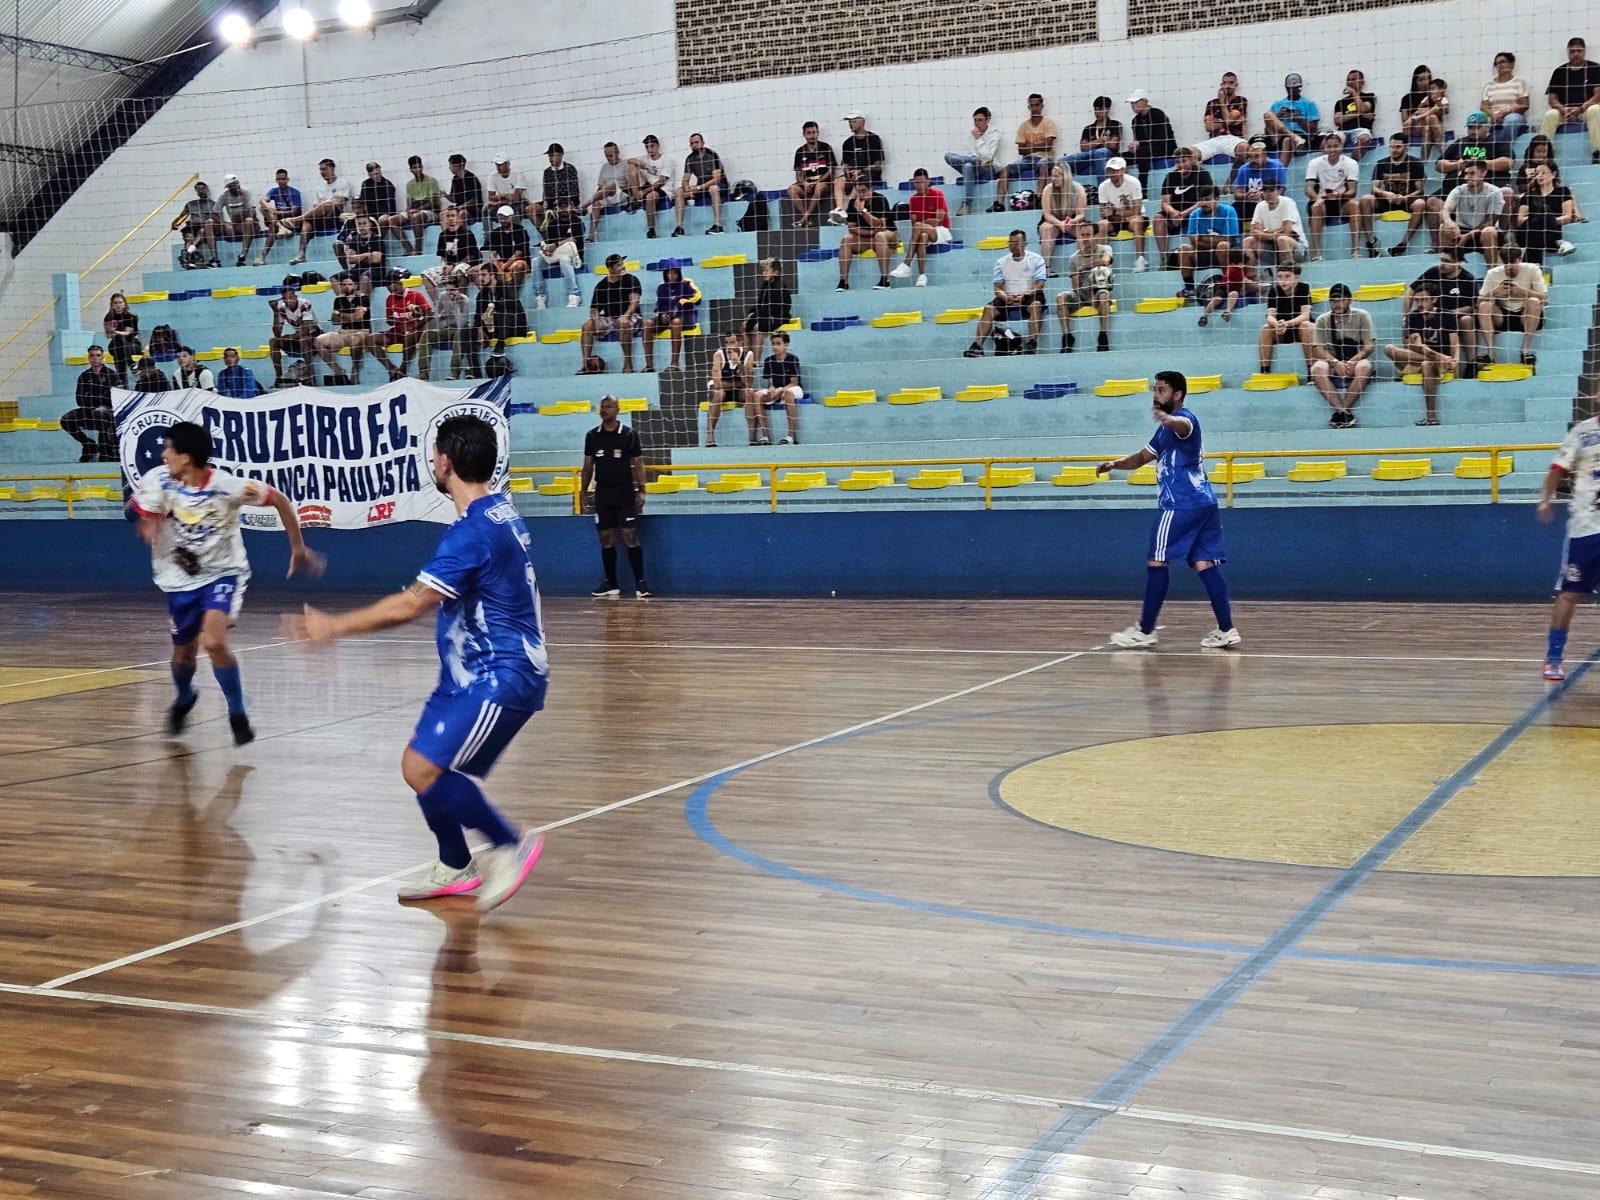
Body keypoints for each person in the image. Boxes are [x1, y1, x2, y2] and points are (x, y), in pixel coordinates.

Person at [294, 415, 546, 912]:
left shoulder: (473, 533)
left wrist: (334, 627)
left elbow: (410, 605)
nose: (433, 462)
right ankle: (455, 865)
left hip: (499, 675)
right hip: (466, 673)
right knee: (417, 766)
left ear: (446, 463)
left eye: (435, 455)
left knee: (426, 769)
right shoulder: (498, 514)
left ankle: (510, 844)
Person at [132, 420, 322, 745]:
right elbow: (144, 520)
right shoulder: (157, 482)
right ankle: (184, 697)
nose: (163, 455)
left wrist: (297, 546)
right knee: (183, 656)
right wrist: (149, 527)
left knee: (214, 642)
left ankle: (237, 712)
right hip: (179, 580)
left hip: (222, 573)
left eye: (168, 449)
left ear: (186, 457)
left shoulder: (226, 486)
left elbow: (278, 499)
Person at [1095, 370, 1240, 650]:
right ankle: (1227, 629)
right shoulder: (1163, 431)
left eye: (1161, 390)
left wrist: (1168, 419)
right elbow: (1140, 458)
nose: (1155, 394)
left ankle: (1145, 630)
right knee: (1203, 563)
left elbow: (1181, 425)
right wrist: (1115, 464)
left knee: (1157, 560)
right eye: (1155, 389)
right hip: (1204, 503)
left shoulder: (1186, 420)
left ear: (1177, 395)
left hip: (1181, 503)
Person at [1538, 412, 1600, 680]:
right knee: (1570, 593)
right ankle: (1553, 658)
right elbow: (1556, 469)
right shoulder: (1582, 432)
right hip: (1587, 529)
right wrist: (1545, 500)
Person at [582, 395, 650, 598]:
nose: (605, 409)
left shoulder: (629, 434)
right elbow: (587, 467)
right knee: (605, 537)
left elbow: (638, 463)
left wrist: (642, 488)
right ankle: (611, 583)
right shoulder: (592, 436)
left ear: (618, 410)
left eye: (609, 406)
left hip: (624, 492)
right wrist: (583, 493)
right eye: (602, 406)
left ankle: (640, 583)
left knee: (630, 535)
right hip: (603, 493)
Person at [1385, 282, 1458, 425]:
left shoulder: (1447, 316)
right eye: (1417, 300)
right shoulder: (1413, 317)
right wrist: (1439, 357)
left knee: (1427, 364)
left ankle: (1431, 416)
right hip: (1427, 359)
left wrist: (1454, 361)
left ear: (1434, 300)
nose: (1419, 303)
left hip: (1441, 367)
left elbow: (1455, 345)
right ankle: (1436, 359)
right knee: (1389, 349)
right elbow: (1417, 346)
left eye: (1424, 300)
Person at [966, 229, 1046, 356]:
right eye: (1011, 243)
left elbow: (1040, 284)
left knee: (1036, 306)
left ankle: (1031, 343)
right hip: (1008, 296)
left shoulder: (1037, 259)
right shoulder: (1001, 262)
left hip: (1029, 295)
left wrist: (1025, 295)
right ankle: (977, 346)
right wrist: (1006, 297)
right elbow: (997, 288)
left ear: (1025, 243)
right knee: (988, 309)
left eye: (1017, 242)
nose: (1013, 245)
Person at [1309, 283, 1375, 426]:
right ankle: (1343, 411)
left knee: (1365, 366)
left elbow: (1369, 345)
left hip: (1356, 360)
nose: (1337, 304)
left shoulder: (1362, 316)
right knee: (1316, 368)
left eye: (1341, 300)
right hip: (1332, 361)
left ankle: (1342, 410)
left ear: (1350, 300)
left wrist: (1353, 361)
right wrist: (1335, 363)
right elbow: (1318, 348)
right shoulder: (1323, 320)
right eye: (1333, 300)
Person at [1475, 242, 1546, 368]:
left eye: (1512, 263)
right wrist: (1495, 292)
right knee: (1484, 305)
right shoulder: (1493, 273)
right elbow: (1478, 302)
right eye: (1505, 263)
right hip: (1502, 316)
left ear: (1519, 260)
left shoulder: (1532, 269)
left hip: (1525, 315)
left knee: (1534, 301)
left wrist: (1522, 292)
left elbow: (1544, 299)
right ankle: (1490, 353)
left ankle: (1525, 350)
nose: (1509, 267)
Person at [1538, 36, 1600, 164]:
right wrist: (1563, 109)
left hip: (1585, 109)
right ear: (1568, 53)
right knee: (1550, 115)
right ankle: (1544, 156)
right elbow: (1552, 98)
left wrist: (1581, 108)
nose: (1576, 54)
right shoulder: (1560, 71)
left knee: (1596, 110)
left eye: (1579, 51)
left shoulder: (1595, 68)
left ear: (1584, 51)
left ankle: (1598, 151)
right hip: (1564, 111)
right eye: (1572, 51)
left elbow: (1598, 95)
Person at [1365, 133, 1428, 256]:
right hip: (1387, 200)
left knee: (1420, 203)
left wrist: (1405, 198)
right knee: (1365, 199)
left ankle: (1403, 243)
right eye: (1392, 147)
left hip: (1406, 200)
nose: (1394, 150)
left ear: (1406, 146)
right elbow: (1374, 188)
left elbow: (1420, 190)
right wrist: (1385, 194)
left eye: (1398, 147)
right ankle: (1372, 241)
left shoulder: (1415, 163)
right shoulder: (1381, 163)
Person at [579, 254, 643, 374]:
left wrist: (625, 316)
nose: (623, 267)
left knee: (623, 323)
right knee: (587, 326)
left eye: (622, 264)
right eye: (619, 265)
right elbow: (594, 309)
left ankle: (628, 364)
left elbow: (634, 302)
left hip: (632, 316)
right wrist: (597, 322)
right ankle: (586, 364)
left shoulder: (631, 279)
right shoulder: (602, 285)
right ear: (610, 268)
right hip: (611, 318)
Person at [287, 158, 354, 266]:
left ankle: (298, 219)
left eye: (325, 169)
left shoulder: (343, 183)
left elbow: (339, 203)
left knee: (328, 204)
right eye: (321, 170)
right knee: (307, 223)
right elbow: (315, 207)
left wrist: (324, 204)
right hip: (322, 218)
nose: (322, 172)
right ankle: (301, 254)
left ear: (332, 169)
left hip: (337, 216)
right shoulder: (320, 188)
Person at [1303, 132, 1359, 261]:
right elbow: (1308, 188)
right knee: (1316, 207)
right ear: (1324, 148)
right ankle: (1317, 254)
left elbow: (1353, 191)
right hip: (1322, 199)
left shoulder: (1351, 163)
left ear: (1342, 147)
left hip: (1341, 200)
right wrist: (1318, 199)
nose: (1332, 150)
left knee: (1355, 205)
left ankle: (1355, 251)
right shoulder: (1315, 163)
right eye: (1329, 146)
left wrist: (1339, 195)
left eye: (1336, 146)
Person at [1055, 231, 1113, 352]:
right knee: (1060, 298)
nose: (1085, 238)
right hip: (1081, 295)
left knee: (1103, 294)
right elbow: (1075, 286)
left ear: (1095, 236)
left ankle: (1103, 336)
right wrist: (1086, 298)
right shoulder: (1074, 258)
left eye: (1088, 234)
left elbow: (1105, 261)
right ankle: (1067, 336)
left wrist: (1085, 267)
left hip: (1098, 292)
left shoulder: (1105, 249)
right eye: (1083, 235)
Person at [892, 168, 950, 286]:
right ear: (913, 183)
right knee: (922, 236)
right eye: (917, 182)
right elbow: (914, 223)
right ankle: (922, 276)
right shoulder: (913, 199)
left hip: (941, 231)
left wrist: (923, 222)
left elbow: (939, 221)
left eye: (922, 182)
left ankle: (907, 262)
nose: (920, 185)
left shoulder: (937, 195)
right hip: (924, 232)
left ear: (928, 181)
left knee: (919, 227)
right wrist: (927, 221)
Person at [1152, 147, 1211, 263]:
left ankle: (1199, 256)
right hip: (1175, 215)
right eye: (1178, 162)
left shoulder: (1202, 174)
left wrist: (1183, 214)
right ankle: (1164, 257)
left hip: (1194, 213)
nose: (1181, 165)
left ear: (1191, 160)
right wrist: (1173, 212)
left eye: (1184, 161)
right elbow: (1165, 203)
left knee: (1201, 214)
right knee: (1158, 219)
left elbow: (1206, 201)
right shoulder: (1171, 176)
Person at [837, 177, 896, 291]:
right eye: (858, 191)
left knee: (880, 236)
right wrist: (871, 232)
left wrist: (863, 211)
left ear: (871, 190)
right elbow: (852, 228)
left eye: (863, 191)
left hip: (889, 235)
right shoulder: (853, 203)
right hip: (868, 238)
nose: (861, 194)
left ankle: (885, 279)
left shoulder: (880, 199)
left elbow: (880, 226)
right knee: (846, 239)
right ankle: (843, 282)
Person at [998, 93, 1060, 202]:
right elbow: (1021, 150)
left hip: (1045, 158)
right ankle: (998, 203)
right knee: (1005, 170)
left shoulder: (1049, 123)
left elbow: (1048, 146)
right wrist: (1040, 145)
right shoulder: (1023, 126)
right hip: (1027, 159)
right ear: (1028, 107)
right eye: (1032, 105)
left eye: (1037, 105)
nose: (1034, 108)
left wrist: (1030, 146)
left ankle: (1038, 198)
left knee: (1043, 165)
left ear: (1042, 106)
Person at [61, 345, 119, 461]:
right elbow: (79, 399)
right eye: (92, 356)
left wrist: (92, 397)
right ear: (88, 358)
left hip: (108, 411)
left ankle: (106, 451)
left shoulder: (111, 375)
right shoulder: (84, 376)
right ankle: (88, 445)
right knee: (66, 419)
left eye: (98, 355)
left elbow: (113, 398)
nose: (95, 358)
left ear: (103, 357)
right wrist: (100, 397)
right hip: (88, 410)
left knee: (100, 413)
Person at [1441, 161, 1504, 266]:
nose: (1467, 177)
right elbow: (1445, 210)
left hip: (1482, 233)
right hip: (1462, 231)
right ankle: (1447, 266)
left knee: (1489, 231)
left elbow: (1490, 222)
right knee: (1444, 226)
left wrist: (1468, 236)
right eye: (1466, 173)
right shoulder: (1459, 190)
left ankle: (1492, 270)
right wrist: (1449, 222)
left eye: (1472, 173)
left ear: (1483, 173)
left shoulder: (1495, 192)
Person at [1175, 192, 1238, 298]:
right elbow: (1193, 240)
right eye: (1201, 200)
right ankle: (1189, 288)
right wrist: (1212, 241)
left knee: (1223, 246)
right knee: (1184, 249)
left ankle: (1228, 283)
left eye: (1207, 199)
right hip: (1203, 252)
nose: (1203, 203)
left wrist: (1202, 238)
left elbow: (1229, 238)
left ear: (1217, 199)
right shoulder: (1194, 214)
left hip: (1227, 252)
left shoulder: (1229, 211)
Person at [641, 264, 700, 374]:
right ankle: (649, 365)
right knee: (647, 323)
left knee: (675, 322)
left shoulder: (686, 284)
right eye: (669, 272)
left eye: (674, 272)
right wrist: (663, 315)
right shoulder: (661, 287)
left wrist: (681, 302)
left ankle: (675, 363)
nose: (671, 275)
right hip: (666, 317)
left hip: (684, 316)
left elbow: (697, 298)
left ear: (679, 273)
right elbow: (660, 306)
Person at [417, 272, 475, 381]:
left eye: (452, 290)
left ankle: (454, 371)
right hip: (446, 329)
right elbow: (437, 316)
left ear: (458, 290)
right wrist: (441, 317)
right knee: (427, 335)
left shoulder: (465, 300)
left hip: (461, 330)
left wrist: (455, 307)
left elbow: (462, 325)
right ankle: (423, 372)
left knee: (459, 334)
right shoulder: (443, 296)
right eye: (448, 289)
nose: (449, 293)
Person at [943, 107, 1001, 215]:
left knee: (976, 162)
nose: (977, 123)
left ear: (987, 120)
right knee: (953, 159)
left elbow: (988, 156)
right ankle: (966, 205)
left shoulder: (994, 135)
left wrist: (979, 139)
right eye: (975, 120)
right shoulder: (970, 136)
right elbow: (968, 153)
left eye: (980, 120)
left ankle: (967, 204)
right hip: (974, 166)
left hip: (988, 167)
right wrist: (975, 159)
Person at [829, 112, 886, 222]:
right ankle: (840, 209)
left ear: (862, 122)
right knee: (839, 181)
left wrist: (861, 170)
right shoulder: (848, 143)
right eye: (849, 122)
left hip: (869, 175)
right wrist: (847, 172)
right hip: (853, 175)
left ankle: (847, 211)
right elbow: (846, 164)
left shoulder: (873, 139)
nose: (851, 124)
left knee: (859, 180)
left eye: (854, 121)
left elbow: (878, 166)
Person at [1257, 263, 1312, 374]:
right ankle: (1264, 371)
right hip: (1282, 330)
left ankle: (1311, 370)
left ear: (1296, 277)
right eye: (1280, 277)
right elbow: (1270, 316)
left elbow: (1305, 315)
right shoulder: (1274, 291)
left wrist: (1288, 323)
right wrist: (1277, 324)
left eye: (1287, 276)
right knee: (1266, 329)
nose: (1283, 280)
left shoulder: (1304, 288)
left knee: (1306, 325)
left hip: (1298, 329)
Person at [1095, 157, 1149, 271]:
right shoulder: (1103, 186)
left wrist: (1115, 211)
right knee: (1102, 224)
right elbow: (1103, 213)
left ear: (1123, 171)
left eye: (1115, 171)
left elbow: (1137, 211)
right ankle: (1104, 263)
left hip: (1132, 218)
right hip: (1115, 220)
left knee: (1136, 222)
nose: (1112, 174)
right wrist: (1121, 214)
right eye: (1110, 171)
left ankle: (1140, 259)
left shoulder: (1133, 182)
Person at [1518, 162, 1578, 263]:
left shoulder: (1563, 191)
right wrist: (1538, 220)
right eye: (1537, 173)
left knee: (1545, 212)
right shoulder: (1529, 195)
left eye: (1543, 173)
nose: (1539, 176)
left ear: (1553, 174)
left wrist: (1548, 220)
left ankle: (1534, 267)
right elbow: (1519, 220)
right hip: (1527, 232)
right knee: (1542, 214)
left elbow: (1567, 217)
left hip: (1542, 235)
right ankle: (1560, 242)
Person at [1035, 164, 1088, 276]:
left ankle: (1083, 267)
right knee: (1047, 229)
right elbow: (1047, 214)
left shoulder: (1078, 189)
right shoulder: (1048, 189)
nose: (1053, 179)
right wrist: (1059, 224)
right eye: (1052, 176)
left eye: (1057, 176)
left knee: (1083, 230)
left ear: (1066, 176)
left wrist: (1072, 222)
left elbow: (1081, 215)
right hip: (1053, 220)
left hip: (1072, 220)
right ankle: (1046, 268)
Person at [753, 332, 802, 446]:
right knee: (757, 396)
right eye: (773, 344)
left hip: (793, 388)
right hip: (777, 388)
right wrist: (771, 389)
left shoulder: (792, 359)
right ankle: (765, 436)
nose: (775, 346)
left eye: (778, 343)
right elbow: (770, 383)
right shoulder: (768, 360)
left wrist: (782, 390)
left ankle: (791, 436)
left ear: (786, 345)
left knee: (788, 394)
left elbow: (794, 382)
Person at [535, 200, 586, 309]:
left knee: (564, 259)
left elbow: (574, 239)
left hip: (573, 256)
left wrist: (556, 244)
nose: (563, 209)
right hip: (554, 256)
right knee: (536, 261)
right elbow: (548, 242)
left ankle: (574, 294)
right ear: (556, 209)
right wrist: (546, 248)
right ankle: (540, 296)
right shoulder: (553, 224)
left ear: (570, 207)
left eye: (565, 206)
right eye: (560, 207)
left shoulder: (577, 221)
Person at [268, 284, 321, 388]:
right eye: (285, 299)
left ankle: (311, 377)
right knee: (273, 341)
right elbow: (277, 332)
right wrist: (275, 313)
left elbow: (306, 329)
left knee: (303, 338)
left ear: (295, 297)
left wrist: (290, 337)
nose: (288, 301)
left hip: (314, 336)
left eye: (291, 297)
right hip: (297, 338)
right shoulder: (282, 308)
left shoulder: (305, 304)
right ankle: (278, 377)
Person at [387, 155, 443, 255]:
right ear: (411, 169)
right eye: (415, 168)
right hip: (414, 208)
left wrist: (417, 210)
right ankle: (408, 248)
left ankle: (418, 249)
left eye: (419, 167)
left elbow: (433, 202)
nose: (418, 170)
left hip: (430, 210)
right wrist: (408, 211)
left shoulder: (431, 181)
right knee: (391, 220)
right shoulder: (409, 184)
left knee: (416, 217)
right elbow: (409, 202)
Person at [1243, 179, 1305, 269]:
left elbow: (1287, 231)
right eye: (1265, 190)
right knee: (1248, 241)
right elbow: (1253, 232)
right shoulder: (1260, 206)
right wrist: (1273, 234)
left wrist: (1264, 232)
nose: (1268, 194)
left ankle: (1287, 274)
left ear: (1279, 191)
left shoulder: (1287, 202)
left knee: (1282, 239)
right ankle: (1252, 276)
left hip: (1297, 248)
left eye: (1271, 190)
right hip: (1272, 248)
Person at [672, 133, 727, 235]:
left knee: (713, 188)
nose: (694, 145)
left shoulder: (711, 155)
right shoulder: (690, 158)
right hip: (701, 188)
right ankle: (679, 228)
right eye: (692, 143)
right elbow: (685, 179)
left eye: (697, 142)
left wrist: (698, 187)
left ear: (703, 143)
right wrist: (687, 188)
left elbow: (717, 179)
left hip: (717, 186)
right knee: (679, 191)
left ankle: (718, 225)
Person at [705, 332, 752, 447]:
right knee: (718, 393)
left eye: (732, 342)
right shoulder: (719, 354)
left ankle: (752, 436)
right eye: (726, 342)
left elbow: (749, 383)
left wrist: (739, 364)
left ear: (740, 342)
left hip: (736, 390)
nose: (729, 346)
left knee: (750, 393)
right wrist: (738, 384)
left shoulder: (748, 355)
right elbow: (717, 383)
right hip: (721, 390)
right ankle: (710, 434)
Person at [1227, 137, 1287, 229]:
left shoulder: (1277, 167)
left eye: (1256, 156)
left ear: (1265, 155)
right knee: (1234, 208)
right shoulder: (1244, 169)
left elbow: (1281, 191)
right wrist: (1246, 196)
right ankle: (1236, 238)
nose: (1252, 160)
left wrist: (1263, 195)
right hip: (1250, 203)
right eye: (1250, 157)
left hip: (1270, 201)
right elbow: (1237, 194)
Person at [742, 257, 792, 364]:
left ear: (775, 272)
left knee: (758, 327)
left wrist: (756, 316)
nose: (763, 273)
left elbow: (774, 308)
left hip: (778, 316)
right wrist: (752, 313)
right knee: (745, 324)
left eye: (766, 271)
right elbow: (760, 303)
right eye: (763, 270)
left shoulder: (779, 287)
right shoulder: (766, 284)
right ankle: (746, 357)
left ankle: (756, 360)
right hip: (765, 314)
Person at [790, 121, 838, 227]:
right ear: (804, 134)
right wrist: (804, 183)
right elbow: (798, 175)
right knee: (791, 189)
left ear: (818, 133)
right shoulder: (800, 151)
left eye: (814, 132)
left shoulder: (826, 148)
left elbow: (831, 172)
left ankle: (803, 219)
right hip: (807, 185)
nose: (812, 135)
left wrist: (817, 182)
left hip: (824, 183)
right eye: (809, 133)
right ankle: (808, 219)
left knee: (819, 187)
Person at [625, 135, 675, 237]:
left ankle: (651, 229)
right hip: (647, 186)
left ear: (658, 146)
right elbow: (629, 160)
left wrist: (644, 191)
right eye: (647, 147)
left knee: (650, 196)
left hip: (661, 189)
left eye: (652, 146)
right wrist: (647, 166)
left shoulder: (667, 160)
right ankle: (636, 198)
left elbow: (661, 181)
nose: (649, 149)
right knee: (631, 167)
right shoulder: (645, 159)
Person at [1263, 73, 1320, 162]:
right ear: (1286, 88)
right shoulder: (1277, 105)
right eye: (1291, 88)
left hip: (1302, 136)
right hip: (1279, 135)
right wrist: (1278, 117)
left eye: (1296, 88)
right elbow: (1267, 131)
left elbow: (1313, 130)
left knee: (1287, 140)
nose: (1294, 90)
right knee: (1267, 115)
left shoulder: (1309, 104)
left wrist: (1298, 118)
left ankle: (1282, 170)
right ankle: (1294, 139)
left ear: (1300, 88)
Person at [1195, 73, 1249, 163]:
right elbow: (1208, 127)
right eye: (1225, 83)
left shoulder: (1240, 100)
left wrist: (1222, 103)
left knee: (1245, 148)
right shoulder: (1211, 103)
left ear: (1236, 85)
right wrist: (1233, 122)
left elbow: (1229, 119)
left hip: (1233, 139)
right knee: (1190, 152)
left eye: (1231, 83)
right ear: (1221, 85)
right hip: (1214, 140)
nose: (1227, 86)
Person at [1481, 51, 1532, 143]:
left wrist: (1508, 111)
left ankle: (1504, 149)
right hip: (1496, 120)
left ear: (1512, 64)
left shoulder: (1519, 83)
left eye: (1503, 62)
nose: (1500, 65)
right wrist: (1494, 114)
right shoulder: (1489, 86)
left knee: (1511, 120)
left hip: (1515, 118)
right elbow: (1484, 107)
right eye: (1497, 64)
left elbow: (1525, 105)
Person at [1125, 89, 1177, 177]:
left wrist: (1139, 144)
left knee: (1142, 152)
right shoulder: (1135, 120)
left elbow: (1162, 139)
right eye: (1131, 103)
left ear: (1145, 101)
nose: (1133, 105)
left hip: (1164, 148)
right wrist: (1133, 146)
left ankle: (1143, 187)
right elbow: (1137, 139)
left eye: (1136, 102)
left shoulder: (1158, 114)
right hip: (1145, 149)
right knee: (1119, 157)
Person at [256, 168, 302, 265]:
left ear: (287, 179)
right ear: (276, 180)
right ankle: (280, 228)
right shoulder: (274, 191)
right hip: (278, 221)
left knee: (272, 226)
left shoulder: (294, 192)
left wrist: (277, 212)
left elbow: (295, 211)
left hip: (292, 220)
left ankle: (263, 256)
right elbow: (262, 200)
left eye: (283, 179)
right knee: (262, 208)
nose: (281, 181)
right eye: (278, 179)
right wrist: (268, 207)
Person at [584, 142, 628, 239]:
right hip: (607, 195)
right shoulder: (604, 167)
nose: (609, 158)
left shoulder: (625, 164)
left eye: (611, 155)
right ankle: (591, 236)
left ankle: (585, 204)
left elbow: (631, 185)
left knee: (611, 184)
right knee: (596, 204)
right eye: (606, 156)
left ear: (617, 153)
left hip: (621, 195)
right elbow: (600, 186)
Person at [178, 181, 222, 269]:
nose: (201, 191)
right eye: (198, 190)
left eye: (203, 189)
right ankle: (187, 261)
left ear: (207, 190)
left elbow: (218, 219)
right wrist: (175, 223)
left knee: (202, 231)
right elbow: (181, 217)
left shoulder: (213, 204)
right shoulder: (190, 204)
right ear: (196, 191)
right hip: (192, 227)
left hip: (204, 226)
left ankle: (187, 252)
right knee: (189, 236)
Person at [217, 174, 258, 266]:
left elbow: (252, 211)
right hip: (237, 225)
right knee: (231, 227)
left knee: (249, 221)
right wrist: (224, 223)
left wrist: (240, 216)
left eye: (237, 183)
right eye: (234, 184)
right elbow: (215, 212)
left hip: (252, 224)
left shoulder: (246, 192)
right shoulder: (224, 196)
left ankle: (243, 255)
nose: (237, 186)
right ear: (228, 187)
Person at [1331, 68, 1376, 151]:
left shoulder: (1369, 96)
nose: (1350, 82)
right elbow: (1338, 121)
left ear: (1362, 82)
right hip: (1342, 131)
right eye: (1348, 80)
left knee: (1365, 140)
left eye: (1354, 79)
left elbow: (1363, 108)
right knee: (1328, 142)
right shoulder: (1341, 102)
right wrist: (1360, 114)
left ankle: (1353, 163)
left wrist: (1353, 93)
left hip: (1361, 130)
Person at [102, 292, 140, 381]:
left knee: (119, 351)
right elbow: (109, 336)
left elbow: (127, 333)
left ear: (125, 304)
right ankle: (132, 364)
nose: (118, 305)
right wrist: (111, 331)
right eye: (115, 303)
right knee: (118, 343)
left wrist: (115, 331)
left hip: (132, 344)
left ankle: (122, 380)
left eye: (120, 302)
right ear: (111, 305)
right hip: (115, 344)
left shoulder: (131, 316)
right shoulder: (108, 317)